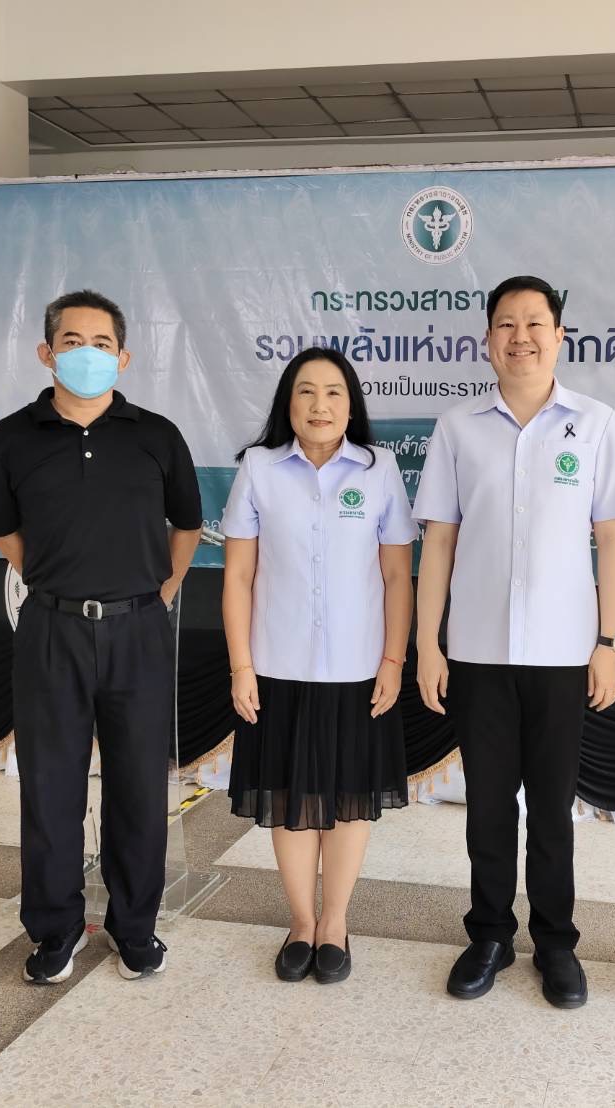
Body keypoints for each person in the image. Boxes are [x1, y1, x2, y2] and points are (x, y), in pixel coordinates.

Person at [414, 275, 615, 1009]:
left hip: (563, 654)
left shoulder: (595, 422)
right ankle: (488, 934)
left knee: (550, 809)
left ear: (559, 336)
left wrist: (610, 642)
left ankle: (554, 943)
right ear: (487, 340)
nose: (521, 337)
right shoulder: (458, 426)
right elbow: (438, 542)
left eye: (534, 323)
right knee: (487, 807)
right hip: (477, 651)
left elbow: (612, 539)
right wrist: (427, 644)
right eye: (506, 324)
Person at [0, 289, 202, 984]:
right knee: (50, 786)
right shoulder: (10, 437)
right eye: (71, 342)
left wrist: (159, 592)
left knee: (137, 786)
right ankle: (55, 929)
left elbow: (188, 525)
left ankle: (135, 928)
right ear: (46, 353)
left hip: (138, 630)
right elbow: (5, 532)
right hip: (52, 631)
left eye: (101, 344)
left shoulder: (156, 435)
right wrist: (57, 584)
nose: (87, 354)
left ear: (123, 358)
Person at [221, 347, 416, 984]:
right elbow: (239, 575)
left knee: (350, 799)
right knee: (289, 796)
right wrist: (241, 667)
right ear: (288, 403)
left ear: (351, 405)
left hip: (358, 668)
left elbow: (397, 575)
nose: (320, 405)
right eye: (306, 391)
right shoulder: (259, 468)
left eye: (334, 392)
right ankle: (301, 923)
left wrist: (394, 659)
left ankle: (335, 923)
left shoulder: (378, 469)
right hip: (276, 666)